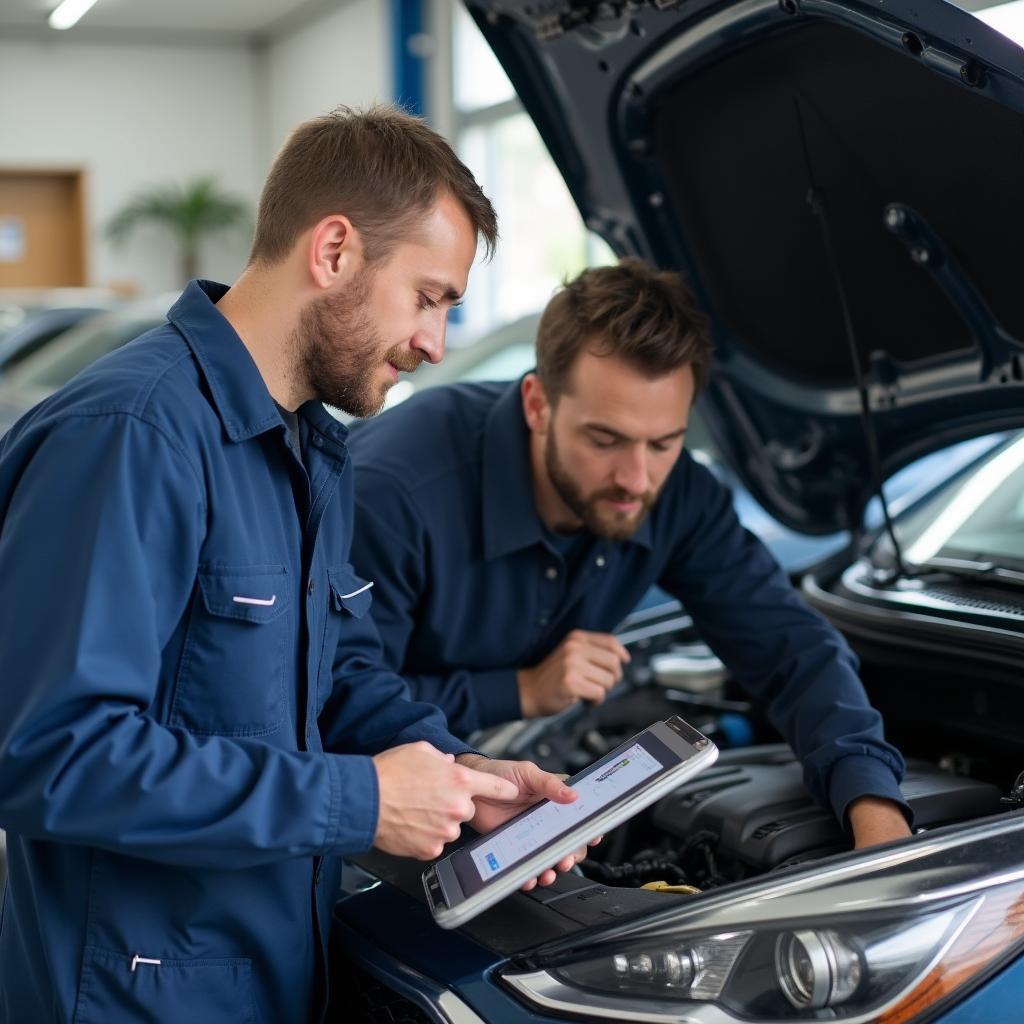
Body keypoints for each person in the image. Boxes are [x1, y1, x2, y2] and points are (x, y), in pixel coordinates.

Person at [0, 106, 588, 1024]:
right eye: (429, 297)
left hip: (273, 973)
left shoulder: (309, 448)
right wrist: (359, 803)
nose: (436, 344)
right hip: (136, 997)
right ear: (335, 251)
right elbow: (51, 755)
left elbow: (336, 677)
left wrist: (462, 779)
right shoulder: (132, 436)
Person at [348, 258, 913, 850]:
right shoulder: (397, 491)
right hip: (377, 815)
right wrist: (517, 690)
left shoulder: (679, 494)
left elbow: (791, 647)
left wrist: (872, 803)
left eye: (664, 442)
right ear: (537, 404)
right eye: (605, 439)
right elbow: (338, 696)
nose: (637, 480)